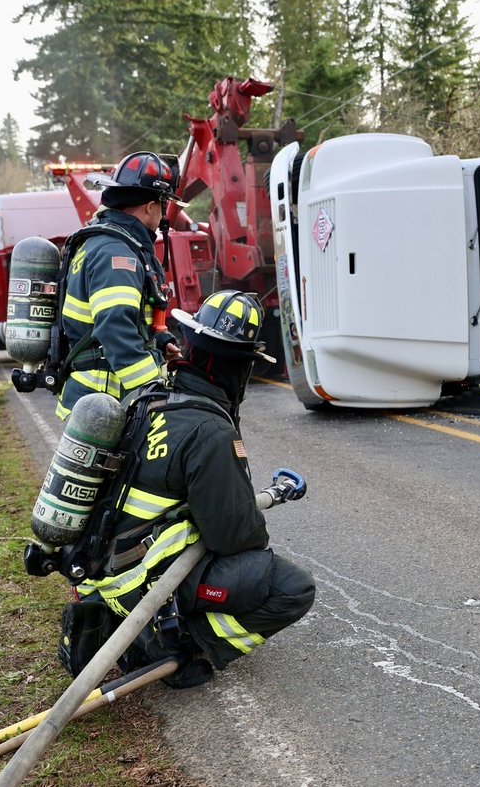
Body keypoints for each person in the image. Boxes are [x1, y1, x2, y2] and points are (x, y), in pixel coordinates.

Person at [58, 289, 315, 688]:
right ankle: (175, 646)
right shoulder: (210, 430)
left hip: (98, 574)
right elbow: (236, 536)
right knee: (291, 587)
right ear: (239, 367)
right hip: (141, 586)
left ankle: (121, 623)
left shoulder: (146, 398)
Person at [54, 151, 181, 420]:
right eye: (163, 204)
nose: (164, 213)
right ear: (150, 206)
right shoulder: (116, 253)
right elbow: (115, 328)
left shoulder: (107, 240)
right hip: (106, 404)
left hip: (99, 403)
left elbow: (129, 317)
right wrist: (152, 391)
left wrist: (159, 340)